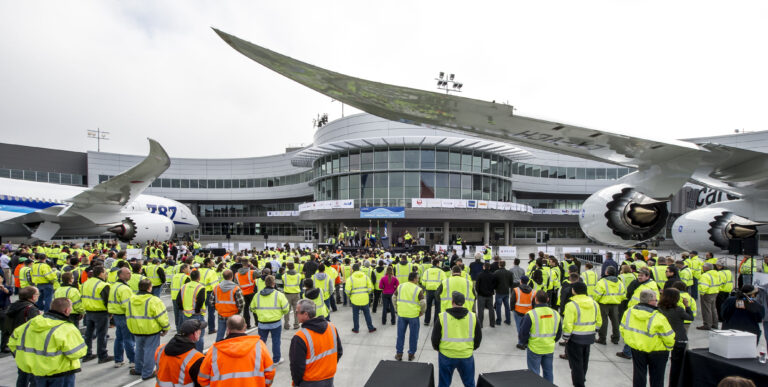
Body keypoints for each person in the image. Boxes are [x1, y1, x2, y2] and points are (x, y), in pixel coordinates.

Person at [9, 297, 87, 387]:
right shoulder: (67, 329)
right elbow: (76, 353)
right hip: (61, 373)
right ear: (67, 310)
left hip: (37, 372)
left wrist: (25, 358)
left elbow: (12, 342)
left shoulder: (31, 323)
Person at [198, 315, 275, 386]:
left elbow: (202, 379)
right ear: (245, 327)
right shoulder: (259, 346)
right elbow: (270, 373)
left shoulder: (214, 350)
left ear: (228, 329)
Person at [620, 289, 676, 387]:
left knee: (639, 375)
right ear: (650, 301)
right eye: (655, 300)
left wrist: (632, 342)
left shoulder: (629, 312)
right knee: (657, 378)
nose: (656, 301)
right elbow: (669, 337)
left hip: (637, 349)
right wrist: (669, 347)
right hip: (657, 351)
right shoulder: (658, 317)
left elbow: (623, 328)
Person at [432, 292, 482, 387]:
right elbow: (478, 337)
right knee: (469, 383)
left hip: (446, 355)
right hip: (466, 355)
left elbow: (435, 338)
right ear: (463, 302)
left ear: (452, 302)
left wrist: (438, 348)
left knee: (444, 384)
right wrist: (471, 348)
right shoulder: (473, 317)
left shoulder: (442, 317)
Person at [290, 299, 343, 386]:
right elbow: (339, 352)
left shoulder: (300, 337)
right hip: (329, 380)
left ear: (306, 314)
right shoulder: (331, 327)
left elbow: (297, 367)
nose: (296, 315)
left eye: (297, 312)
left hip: (309, 382)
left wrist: (296, 383)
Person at [127, 279, 170, 380]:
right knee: (150, 351)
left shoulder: (131, 299)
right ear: (149, 288)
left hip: (136, 329)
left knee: (139, 350)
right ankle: (147, 373)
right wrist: (166, 327)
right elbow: (161, 316)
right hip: (151, 330)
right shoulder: (154, 300)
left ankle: (138, 369)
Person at [562, 282, 601, 387]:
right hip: (589, 337)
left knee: (575, 363)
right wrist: (594, 331)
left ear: (574, 291)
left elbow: (568, 323)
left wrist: (565, 337)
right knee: (584, 360)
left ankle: (579, 383)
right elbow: (599, 321)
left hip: (575, 339)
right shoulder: (594, 303)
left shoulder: (571, 305)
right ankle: (582, 378)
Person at [519, 291, 561, 383]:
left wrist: (525, 343)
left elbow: (523, 333)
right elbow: (559, 333)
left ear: (535, 300)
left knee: (534, 374)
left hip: (535, 348)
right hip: (549, 348)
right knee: (548, 372)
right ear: (548, 299)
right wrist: (551, 341)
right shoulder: (555, 314)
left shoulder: (531, 314)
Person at [658, 287, 694, 387]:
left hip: (664, 339)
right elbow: (690, 317)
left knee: (660, 365)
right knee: (676, 366)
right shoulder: (679, 310)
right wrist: (687, 306)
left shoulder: (659, 309)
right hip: (679, 339)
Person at [155, 319, 206, 387]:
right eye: (199, 330)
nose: (201, 332)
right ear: (195, 334)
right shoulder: (196, 359)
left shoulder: (160, 349)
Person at [251, 275, 290, 363]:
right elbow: (286, 309)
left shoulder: (257, 295)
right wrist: (280, 313)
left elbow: (252, 308)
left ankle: (261, 360)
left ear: (265, 283)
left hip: (262, 322)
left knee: (261, 342)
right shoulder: (279, 295)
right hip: (275, 322)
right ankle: (276, 359)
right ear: (274, 283)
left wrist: (260, 314)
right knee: (276, 341)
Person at [81, 265, 113, 363]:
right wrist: (110, 312)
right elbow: (108, 300)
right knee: (101, 335)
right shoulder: (103, 285)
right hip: (100, 312)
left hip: (88, 311)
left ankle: (87, 354)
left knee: (88, 335)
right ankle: (102, 355)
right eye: (105, 273)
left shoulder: (86, 283)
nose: (106, 275)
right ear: (101, 273)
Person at [1, 286, 40, 359]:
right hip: (27, 342)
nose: (38, 296)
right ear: (33, 297)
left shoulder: (12, 306)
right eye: (37, 294)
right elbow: (36, 326)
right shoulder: (31, 309)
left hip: (14, 340)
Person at [107, 267, 135, 369]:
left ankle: (118, 360)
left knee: (119, 338)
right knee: (128, 339)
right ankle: (132, 360)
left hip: (116, 314)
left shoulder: (114, 286)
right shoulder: (124, 289)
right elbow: (127, 305)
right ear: (121, 275)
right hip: (124, 315)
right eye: (127, 273)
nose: (130, 274)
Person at [394, 272, 425, 361]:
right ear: (414, 279)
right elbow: (423, 302)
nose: (418, 280)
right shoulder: (418, 289)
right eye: (417, 278)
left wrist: (397, 308)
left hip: (402, 314)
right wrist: (421, 312)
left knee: (400, 335)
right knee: (413, 335)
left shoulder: (400, 286)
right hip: (413, 316)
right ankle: (411, 354)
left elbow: (394, 298)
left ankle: (399, 354)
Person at [594, 266, 625, 345]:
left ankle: (602, 338)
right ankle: (616, 338)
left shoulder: (602, 282)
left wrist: (595, 301)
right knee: (615, 321)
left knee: (604, 321)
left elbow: (597, 294)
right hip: (615, 304)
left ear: (606, 272)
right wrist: (618, 300)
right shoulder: (619, 282)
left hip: (603, 304)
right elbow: (623, 294)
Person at [177, 269, 207, 351]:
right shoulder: (200, 287)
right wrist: (197, 311)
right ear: (199, 277)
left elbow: (178, 299)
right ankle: (198, 354)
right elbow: (200, 301)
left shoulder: (184, 286)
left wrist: (181, 309)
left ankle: (188, 351)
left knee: (187, 335)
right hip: (197, 315)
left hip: (186, 314)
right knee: (199, 336)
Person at [213, 269, 244, 343]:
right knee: (234, 334)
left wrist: (219, 308)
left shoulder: (216, 288)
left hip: (221, 314)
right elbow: (241, 303)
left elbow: (211, 301)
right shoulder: (236, 288)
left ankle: (217, 349)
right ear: (232, 276)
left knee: (220, 334)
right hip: (233, 315)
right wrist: (238, 312)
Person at [346, 263, 377, 333]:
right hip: (365, 299)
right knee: (367, 314)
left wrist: (351, 296)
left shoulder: (350, 278)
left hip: (355, 300)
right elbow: (370, 288)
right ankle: (370, 328)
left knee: (355, 315)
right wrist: (366, 294)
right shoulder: (366, 277)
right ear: (359, 269)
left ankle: (356, 329)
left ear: (353, 270)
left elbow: (347, 291)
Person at [511, 275, 536, 349]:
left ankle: (521, 342)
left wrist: (512, 309)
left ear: (521, 281)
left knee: (520, 327)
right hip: (529, 313)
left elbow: (512, 300)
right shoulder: (533, 291)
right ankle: (526, 341)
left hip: (518, 311)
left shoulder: (516, 290)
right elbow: (534, 303)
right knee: (528, 327)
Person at [697, 263, 721, 330]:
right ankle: (715, 324)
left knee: (706, 309)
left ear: (707, 268)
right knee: (713, 309)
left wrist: (702, 293)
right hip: (715, 292)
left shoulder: (705, 275)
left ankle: (707, 324)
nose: (702, 267)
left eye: (703, 266)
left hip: (707, 293)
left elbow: (704, 285)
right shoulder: (716, 274)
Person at [421, 258, 444, 326]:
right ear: (437, 264)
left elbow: (423, 282)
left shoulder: (427, 271)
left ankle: (426, 321)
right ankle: (436, 322)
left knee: (428, 306)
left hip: (429, 291)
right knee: (437, 307)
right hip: (438, 291)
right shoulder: (441, 271)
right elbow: (444, 282)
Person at [235, 261, 258, 329]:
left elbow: (236, 284)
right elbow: (260, 273)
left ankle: (247, 324)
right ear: (248, 265)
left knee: (245, 309)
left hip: (243, 293)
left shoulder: (236, 274)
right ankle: (257, 323)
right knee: (254, 308)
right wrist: (253, 266)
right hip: (251, 292)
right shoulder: (252, 272)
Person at [474, 262, 496, 328]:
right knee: (491, 309)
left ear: (483, 267)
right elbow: (494, 285)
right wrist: (491, 291)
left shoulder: (480, 275)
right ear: (489, 267)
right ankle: (492, 323)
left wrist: (478, 292)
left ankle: (480, 324)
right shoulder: (492, 275)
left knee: (480, 310)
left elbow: (477, 286)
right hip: (489, 295)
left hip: (481, 295)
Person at [170, 263, 191, 331]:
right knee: (182, 314)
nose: (189, 269)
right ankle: (180, 329)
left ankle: (177, 328)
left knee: (176, 313)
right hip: (182, 297)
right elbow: (188, 289)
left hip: (174, 296)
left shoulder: (174, 276)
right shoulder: (186, 277)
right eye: (188, 268)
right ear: (184, 269)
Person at [493, 260, 514, 326]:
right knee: (507, 307)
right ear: (505, 265)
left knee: (498, 307)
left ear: (499, 265)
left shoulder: (496, 273)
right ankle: (508, 320)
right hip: (506, 292)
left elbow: (494, 283)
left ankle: (499, 320)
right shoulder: (509, 273)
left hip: (499, 292)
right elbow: (511, 283)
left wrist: (495, 288)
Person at [283, 262, 302, 329]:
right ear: (294, 267)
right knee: (296, 310)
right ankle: (296, 324)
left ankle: (286, 324)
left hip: (287, 294)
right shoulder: (298, 275)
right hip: (296, 294)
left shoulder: (284, 276)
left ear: (287, 267)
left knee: (287, 310)